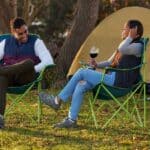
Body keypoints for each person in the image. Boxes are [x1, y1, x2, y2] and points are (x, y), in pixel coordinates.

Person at [39, 19, 144, 128]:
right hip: (111, 78)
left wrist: (130, 37)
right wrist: (96, 65)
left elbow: (123, 48)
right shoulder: (124, 45)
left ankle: (57, 101)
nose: (122, 31)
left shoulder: (138, 46)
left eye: (125, 29)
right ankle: (71, 120)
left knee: (82, 72)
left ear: (133, 32)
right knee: (80, 85)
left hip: (119, 83)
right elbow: (109, 62)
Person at [0, 17, 54, 129]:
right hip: (9, 78)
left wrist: (32, 69)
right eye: (20, 34)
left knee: (29, 63)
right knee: (1, 79)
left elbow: (49, 61)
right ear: (13, 32)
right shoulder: (5, 42)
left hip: (26, 77)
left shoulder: (36, 42)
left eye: (26, 31)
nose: (24, 35)